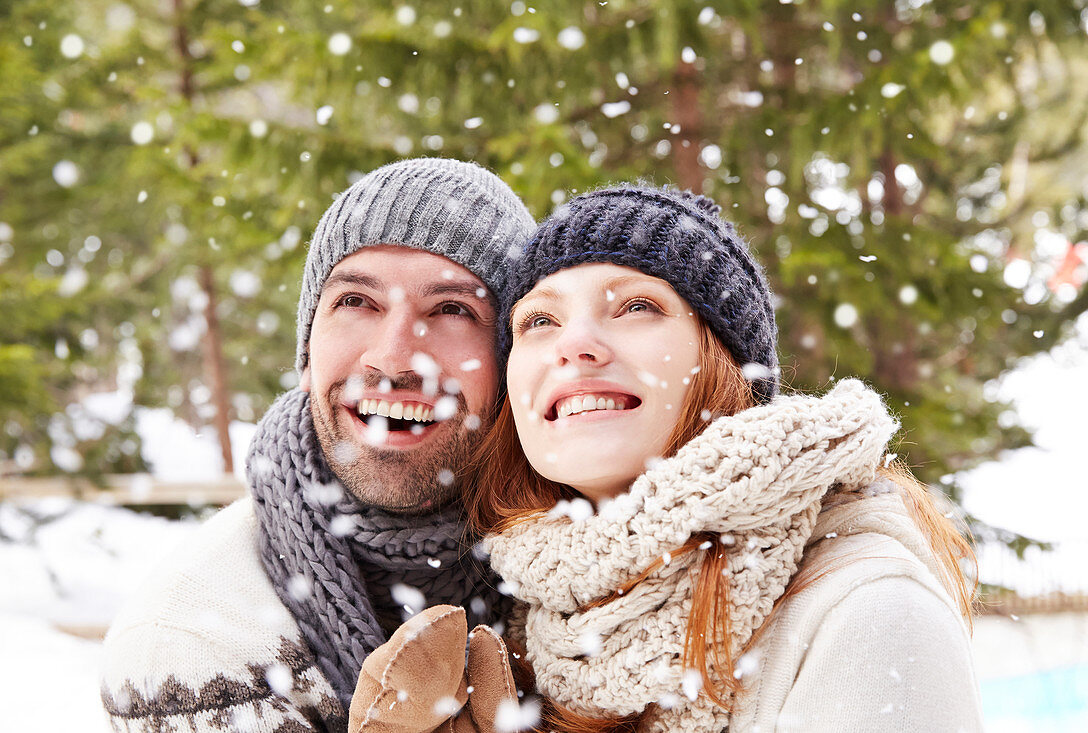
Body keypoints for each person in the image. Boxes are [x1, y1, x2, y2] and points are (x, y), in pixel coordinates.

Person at [348, 184, 984, 732]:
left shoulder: (862, 610)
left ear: (722, 362)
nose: (575, 345)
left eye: (635, 307)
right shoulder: (532, 621)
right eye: (539, 321)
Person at [99, 158, 536, 732]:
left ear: (513, 366)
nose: (394, 357)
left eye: (452, 309)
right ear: (307, 354)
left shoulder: (587, 575)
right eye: (357, 302)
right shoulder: (189, 642)